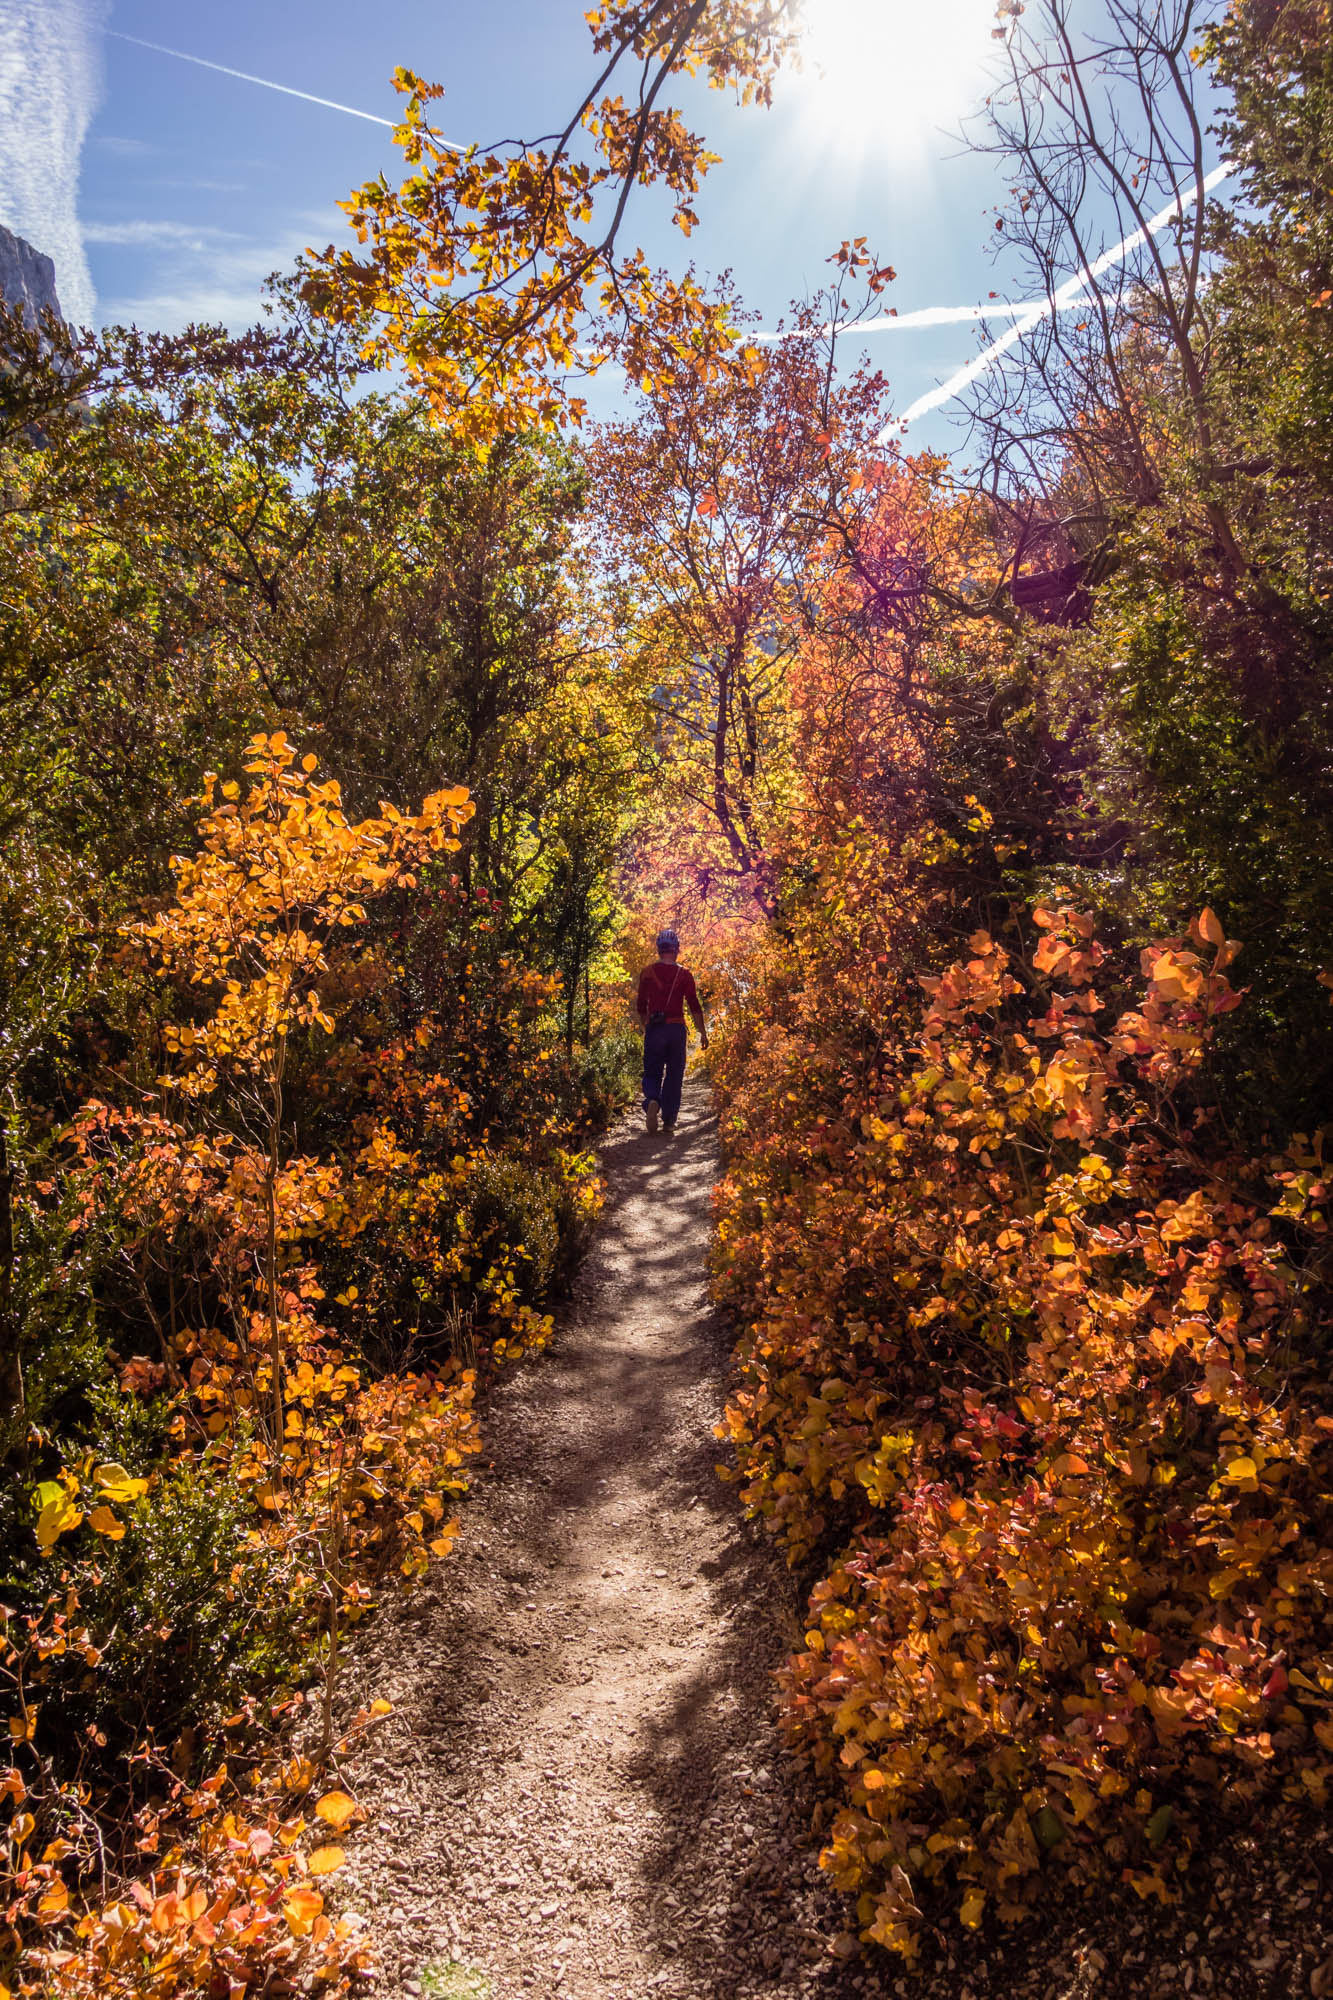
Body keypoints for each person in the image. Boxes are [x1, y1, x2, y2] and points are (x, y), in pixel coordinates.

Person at [635, 927, 707, 1135]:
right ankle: (668, 1121)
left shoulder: (647, 972)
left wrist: (644, 1024)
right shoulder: (684, 974)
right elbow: (694, 1005)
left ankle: (652, 1101)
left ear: (659, 949)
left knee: (652, 1070)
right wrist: (702, 1032)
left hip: (655, 1029)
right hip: (676, 1029)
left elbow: (641, 1004)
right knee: (674, 1075)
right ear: (676, 950)